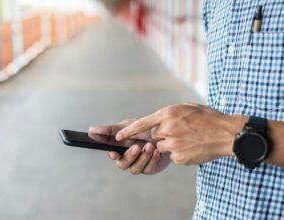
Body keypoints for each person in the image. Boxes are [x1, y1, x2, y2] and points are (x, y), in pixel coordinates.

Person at [89, 1, 284, 219]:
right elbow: (231, 109)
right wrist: (167, 137)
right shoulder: (216, 5)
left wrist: (226, 135)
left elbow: (222, 131)